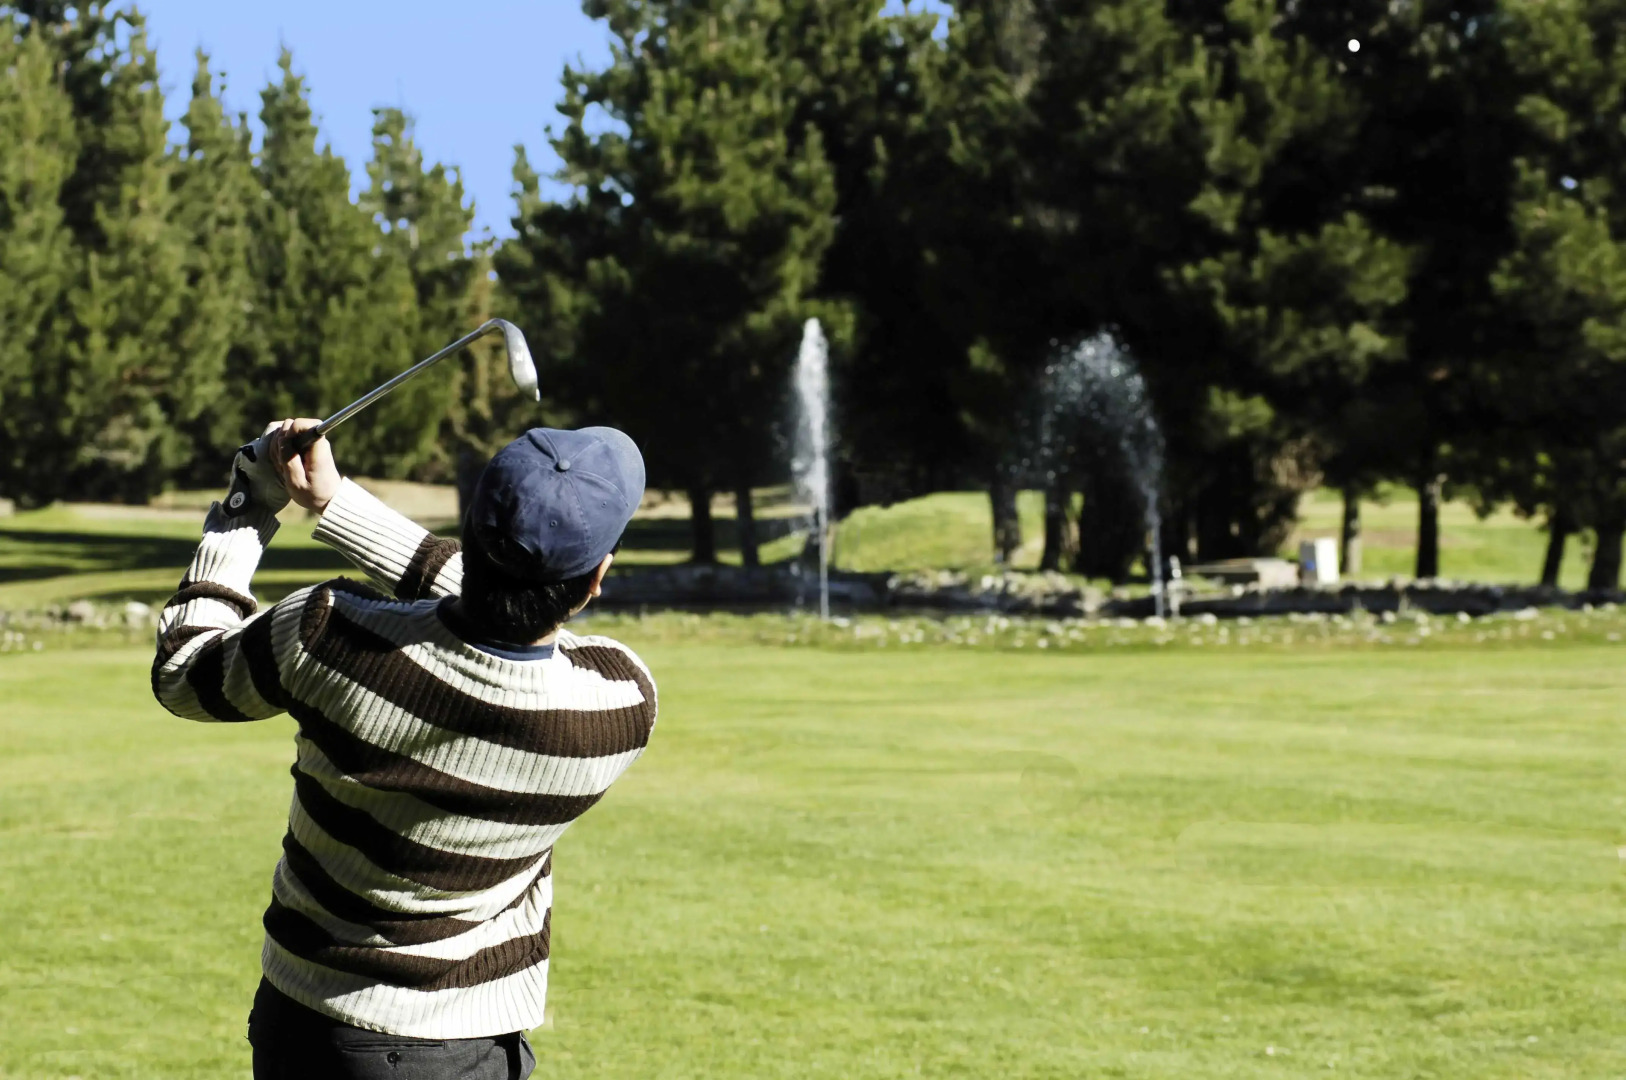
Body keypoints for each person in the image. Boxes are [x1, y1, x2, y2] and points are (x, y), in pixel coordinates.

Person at [151, 419, 657, 1079]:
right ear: (596, 581)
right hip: (463, 1048)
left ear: (471, 529)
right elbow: (490, 611)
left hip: (303, 1028)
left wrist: (248, 508)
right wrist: (335, 502)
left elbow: (185, 673)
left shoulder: (326, 633)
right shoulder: (620, 704)